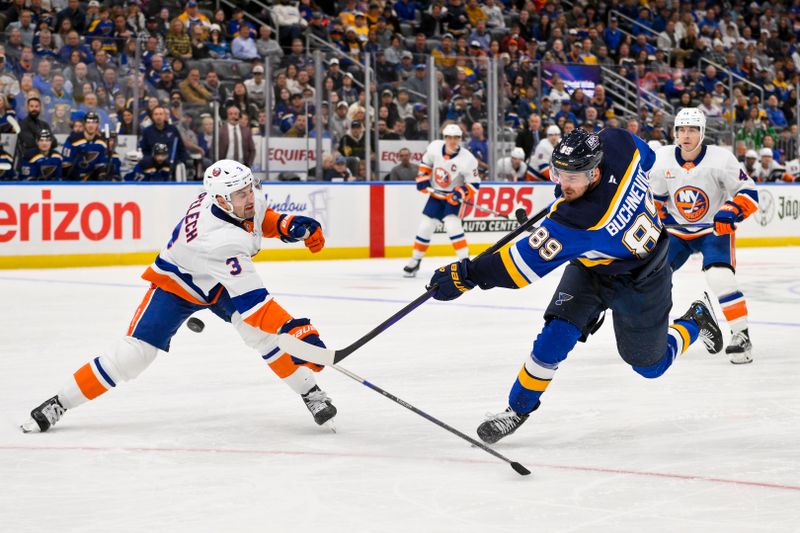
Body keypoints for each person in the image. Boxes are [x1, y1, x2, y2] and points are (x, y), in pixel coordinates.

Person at [427, 128, 724, 444]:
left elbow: (518, 269)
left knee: (650, 366)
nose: (564, 184)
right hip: (592, 267)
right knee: (555, 336)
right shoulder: (618, 141)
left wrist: (466, 274)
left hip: (643, 277)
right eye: (560, 174)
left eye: (574, 177)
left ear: (595, 170)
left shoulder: (581, 219)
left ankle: (694, 321)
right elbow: (647, 156)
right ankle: (517, 410)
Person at [21, 160, 336, 433]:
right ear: (222, 201)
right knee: (133, 356)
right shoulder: (218, 239)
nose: (250, 196)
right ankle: (60, 402)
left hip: (219, 279)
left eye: (249, 188)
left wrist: (288, 225)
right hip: (179, 283)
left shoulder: (236, 198)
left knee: (260, 336)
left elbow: (259, 218)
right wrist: (293, 329)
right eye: (241, 194)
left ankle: (311, 393)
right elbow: (255, 304)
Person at [650, 108, 759, 364]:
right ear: (675, 132)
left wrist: (731, 211)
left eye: (692, 130)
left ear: (702, 132)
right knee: (652, 276)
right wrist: (658, 215)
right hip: (677, 230)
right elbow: (656, 198)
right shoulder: (662, 158)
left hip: (713, 229)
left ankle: (741, 334)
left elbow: (748, 192)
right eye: (681, 130)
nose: (686, 135)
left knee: (719, 277)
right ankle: (650, 332)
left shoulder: (721, 159)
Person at [403, 123, 480, 277]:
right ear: (444, 138)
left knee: (453, 227)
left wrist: (460, 192)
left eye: (456, 138)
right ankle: (415, 260)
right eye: (449, 137)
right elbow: (426, 164)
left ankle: (465, 263)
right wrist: (422, 179)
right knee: (425, 227)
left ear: (460, 139)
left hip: (453, 199)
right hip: (436, 196)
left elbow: (474, 184)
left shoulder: (468, 159)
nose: (452, 141)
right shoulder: (435, 148)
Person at [61, 111, 109, 181]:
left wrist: (101, 176)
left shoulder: (101, 143)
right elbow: (65, 165)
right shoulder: (72, 140)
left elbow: (101, 165)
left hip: (93, 183)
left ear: (97, 124)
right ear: (84, 124)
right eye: (88, 122)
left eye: (94, 122)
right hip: (73, 182)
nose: (91, 125)